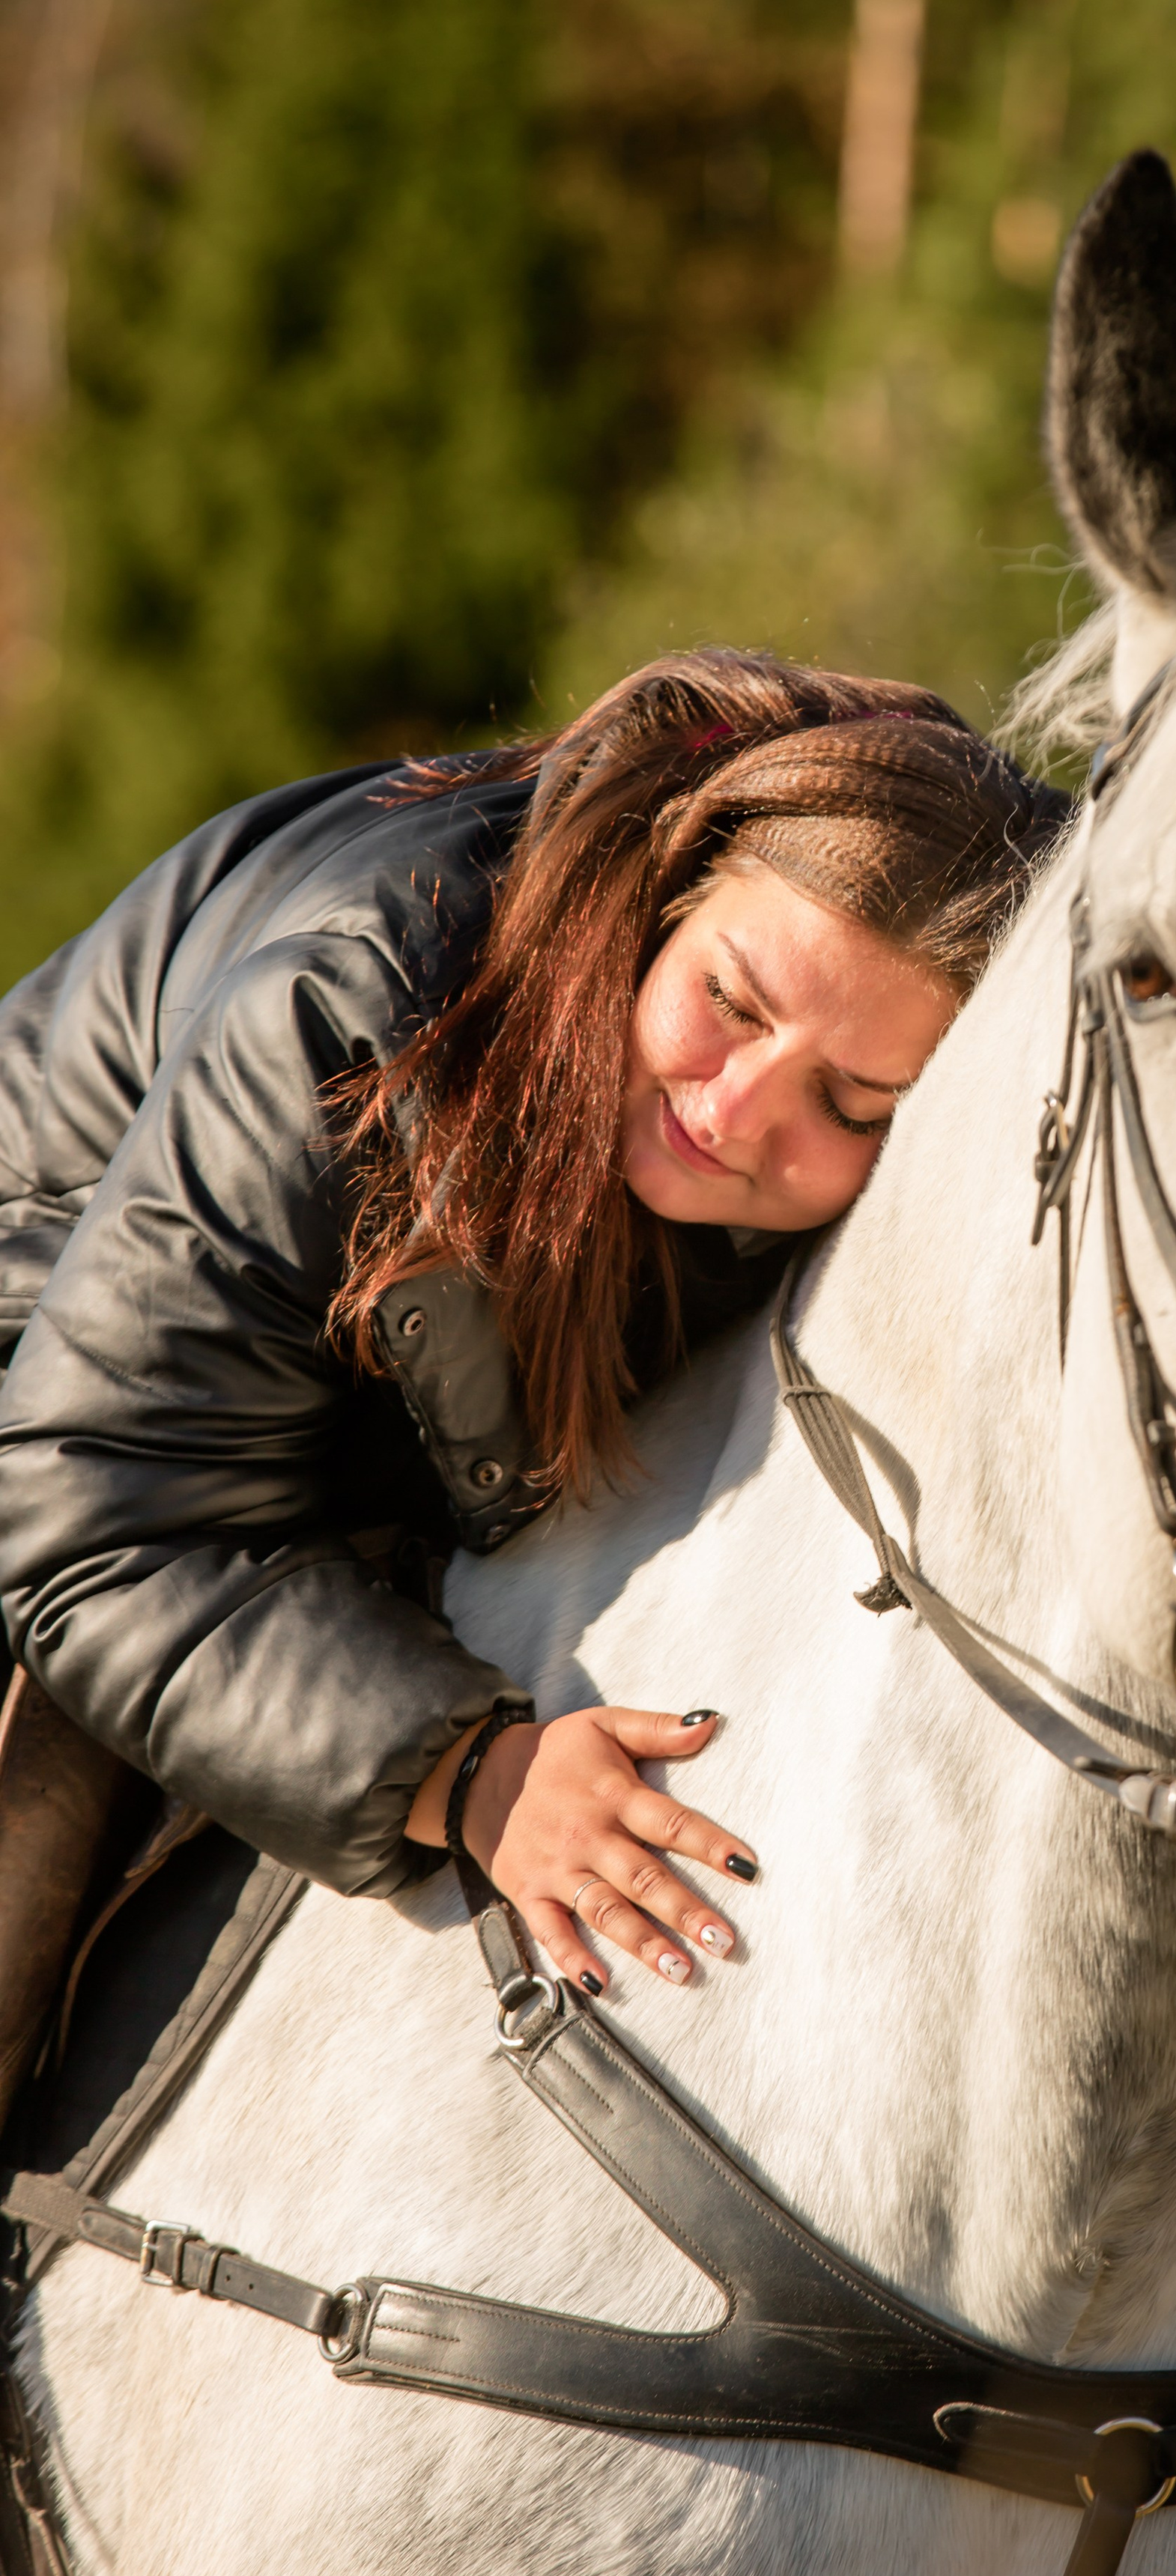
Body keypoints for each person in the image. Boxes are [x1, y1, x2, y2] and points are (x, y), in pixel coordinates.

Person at [0, 651, 1064, 2003]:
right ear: (669, 893)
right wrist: (474, 1776)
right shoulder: (350, 1012)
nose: (735, 1113)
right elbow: (93, 1508)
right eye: (729, 1005)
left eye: (853, 1107)